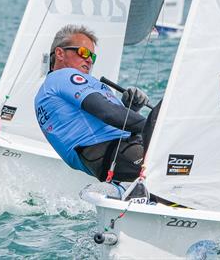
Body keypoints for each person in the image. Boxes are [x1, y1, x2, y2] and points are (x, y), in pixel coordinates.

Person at [34, 25, 156, 182]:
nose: (89, 59)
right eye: (83, 52)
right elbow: (108, 113)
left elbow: (92, 124)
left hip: (109, 158)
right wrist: (157, 128)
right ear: (59, 53)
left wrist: (131, 108)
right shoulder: (63, 76)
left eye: (93, 56)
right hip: (112, 154)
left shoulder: (52, 88)